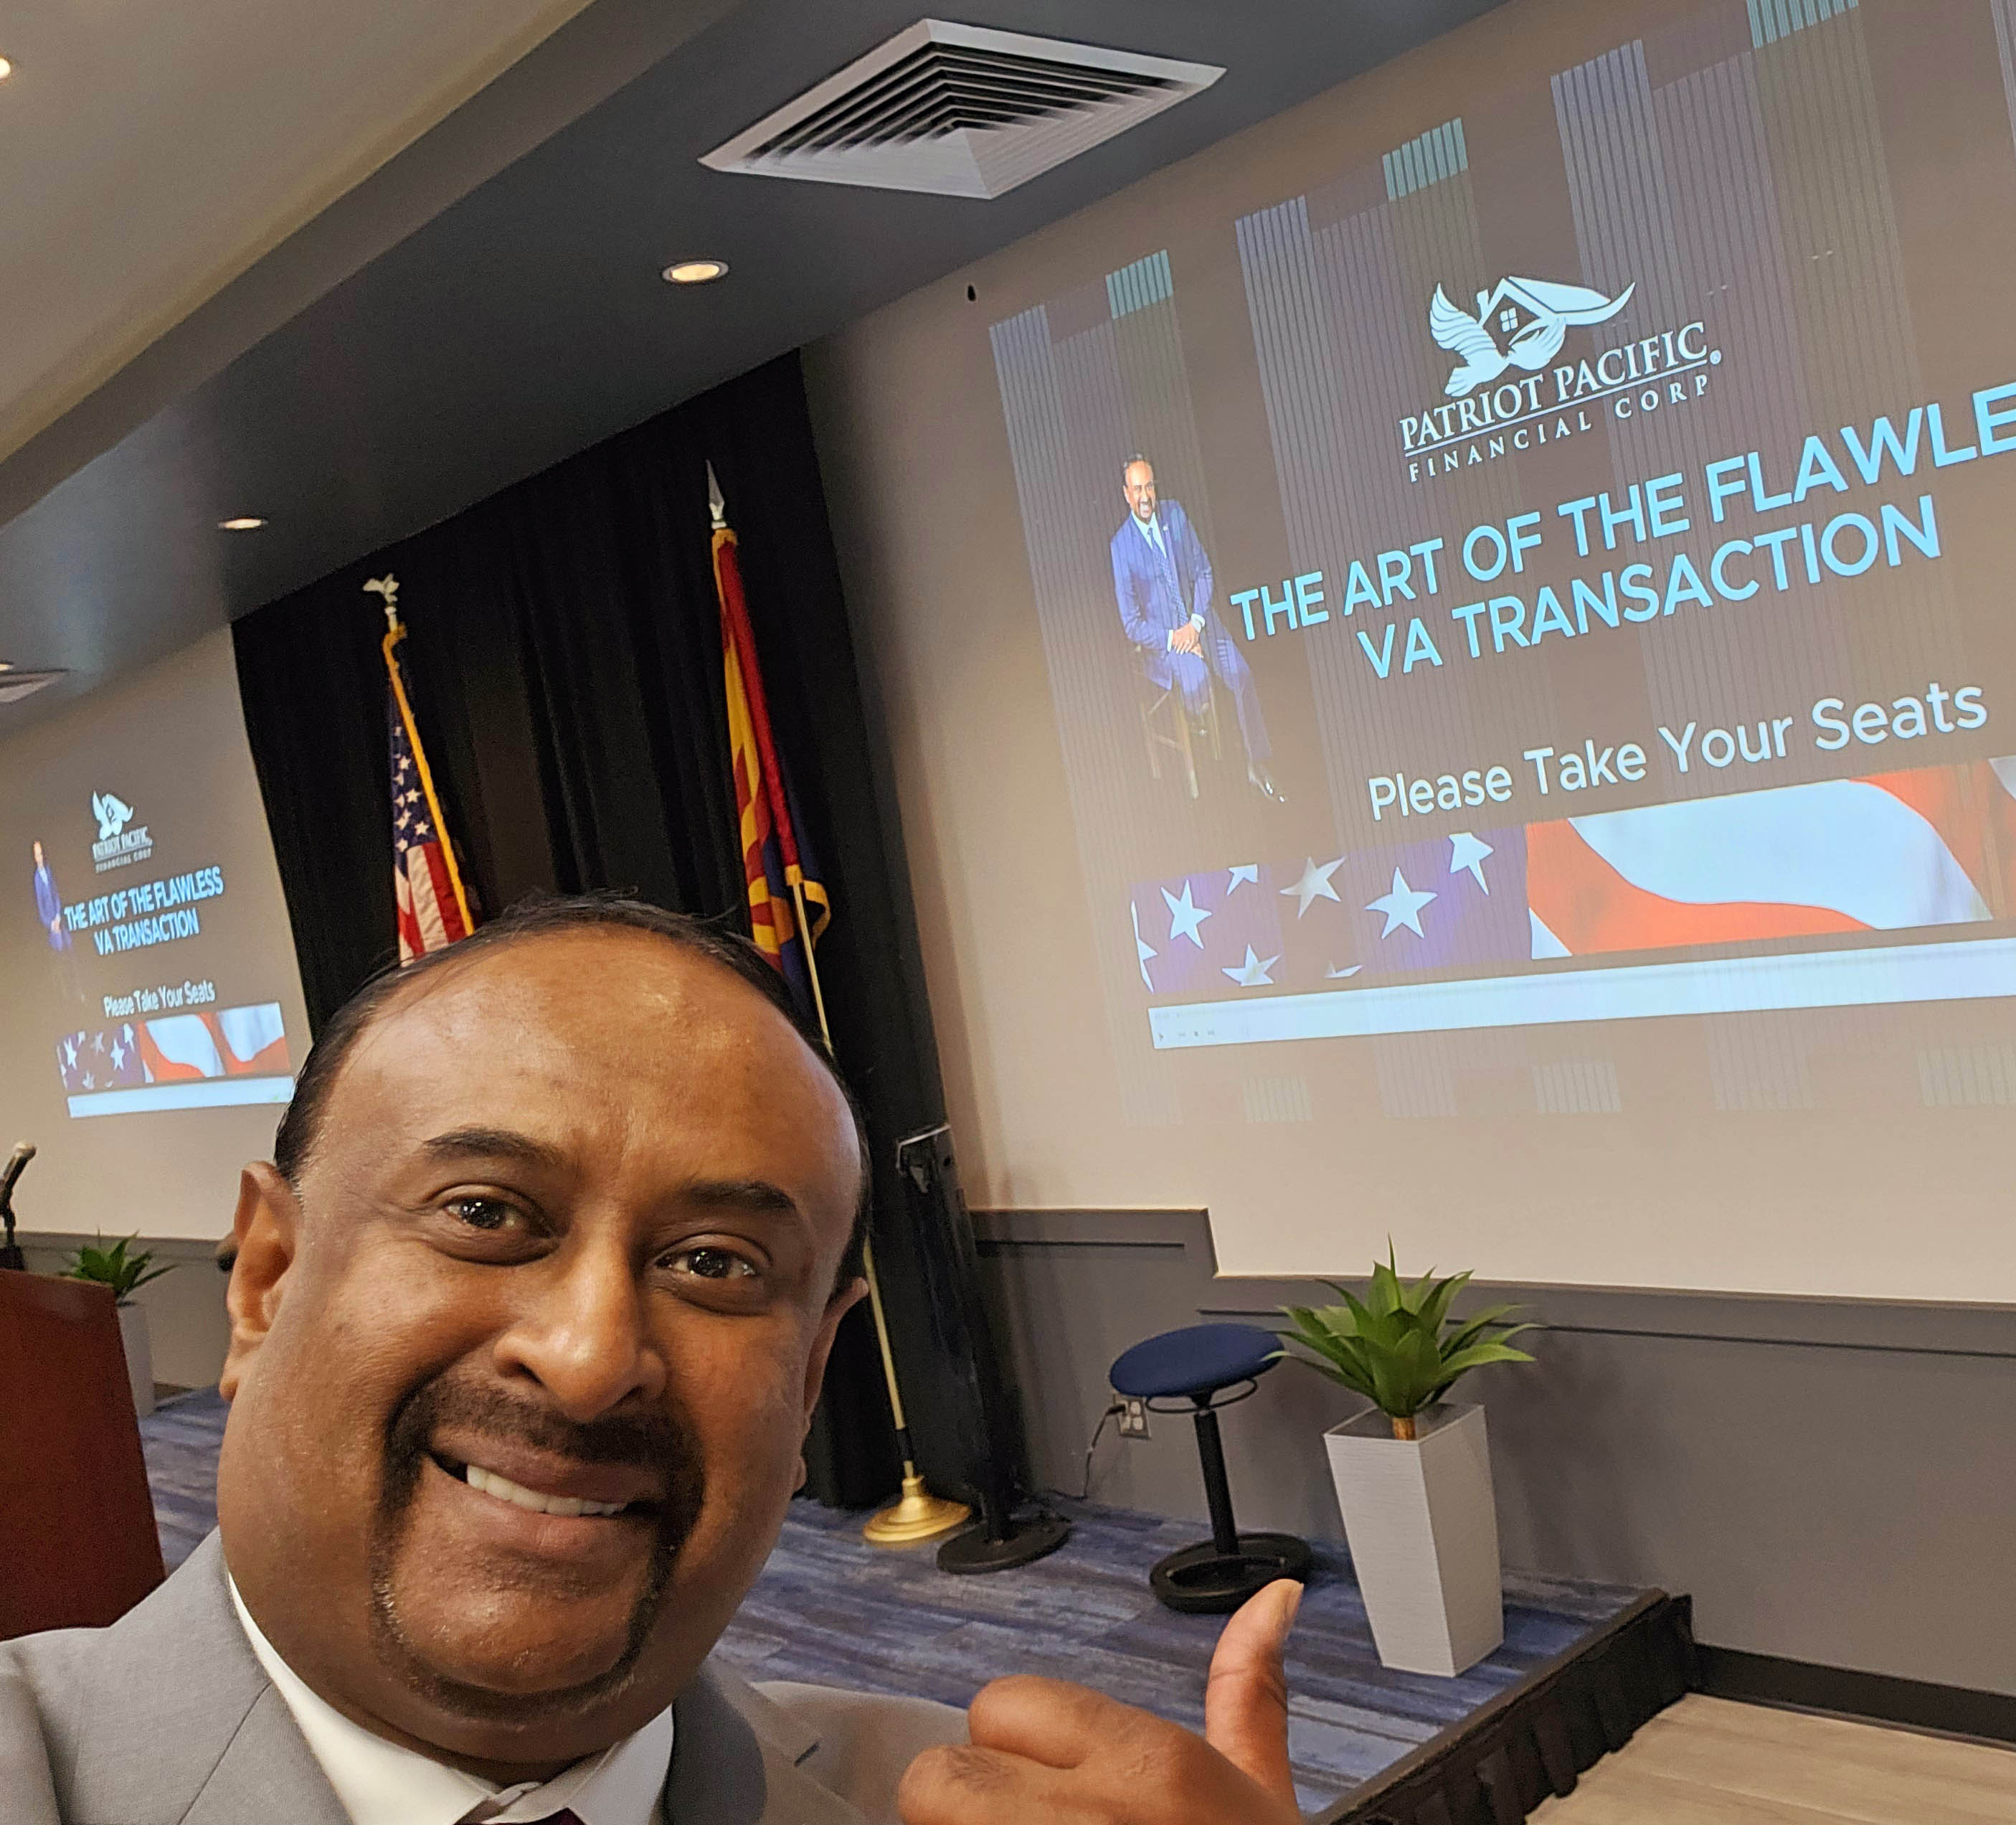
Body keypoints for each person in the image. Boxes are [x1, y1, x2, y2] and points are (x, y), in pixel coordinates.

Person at [0, 895, 1307, 1825]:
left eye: (718, 1264)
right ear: (267, 1280)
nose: (587, 1360)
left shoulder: (938, 1795)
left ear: (809, 1383)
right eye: (485, 1211)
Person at [1111, 458, 1284, 803]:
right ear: (1126, 494)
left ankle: (1256, 764)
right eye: (1138, 489)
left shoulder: (1174, 515)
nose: (1145, 496)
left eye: (1150, 486)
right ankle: (1200, 725)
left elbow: (1204, 572)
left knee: (1242, 675)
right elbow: (1131, 623)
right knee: (1198, 681)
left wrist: (1196, 624)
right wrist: (1176, 639)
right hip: (1168, 642)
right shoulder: (1121, 547)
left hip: (1199, 621)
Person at [32, 836, 80, 1009]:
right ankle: (66, 1000)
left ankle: (78, 991)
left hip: (60, 920)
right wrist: (51, 924)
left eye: (41, 854)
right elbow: (40, 906)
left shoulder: (50, 871)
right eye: (37, 855)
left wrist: (59, 916)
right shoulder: (36, 879)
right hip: (52, 927)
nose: (40, 858)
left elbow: (56, 894)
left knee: (71, 954)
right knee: (60, 961)